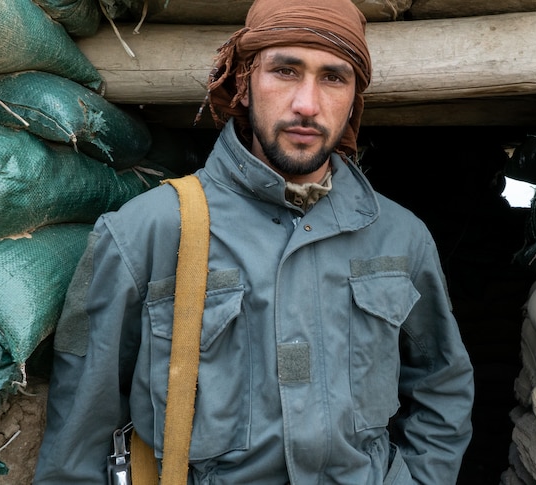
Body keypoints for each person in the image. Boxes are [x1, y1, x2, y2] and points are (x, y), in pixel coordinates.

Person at [33, 0, 474, 482]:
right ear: (243, 83)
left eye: (333, 78)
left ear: (353, 99)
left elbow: (441, 385)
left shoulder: (400, 235)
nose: (307, 103)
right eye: (285, 71)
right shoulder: (146, 232)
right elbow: (80, 431)